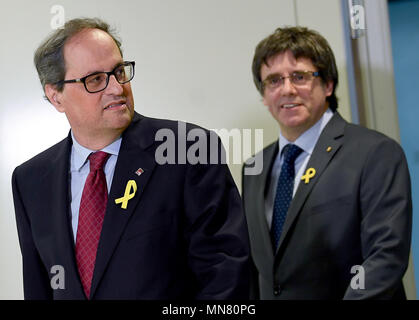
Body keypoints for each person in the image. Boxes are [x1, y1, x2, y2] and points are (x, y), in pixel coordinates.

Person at [12, 17, 250, 300]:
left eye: (119, 71)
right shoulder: (30, 179)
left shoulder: (187, 149)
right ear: (56, 96)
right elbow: (39, 287)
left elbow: (227, 278)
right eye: (96, 80)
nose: (116, 88)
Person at [242, 26, 412, 299]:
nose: (287, 90)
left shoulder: (376, 153)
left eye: (300, 77)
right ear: (264, 95)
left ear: (328, 84)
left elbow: (385, 258)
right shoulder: (254, 168)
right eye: (273, 81)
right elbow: (255, 270)